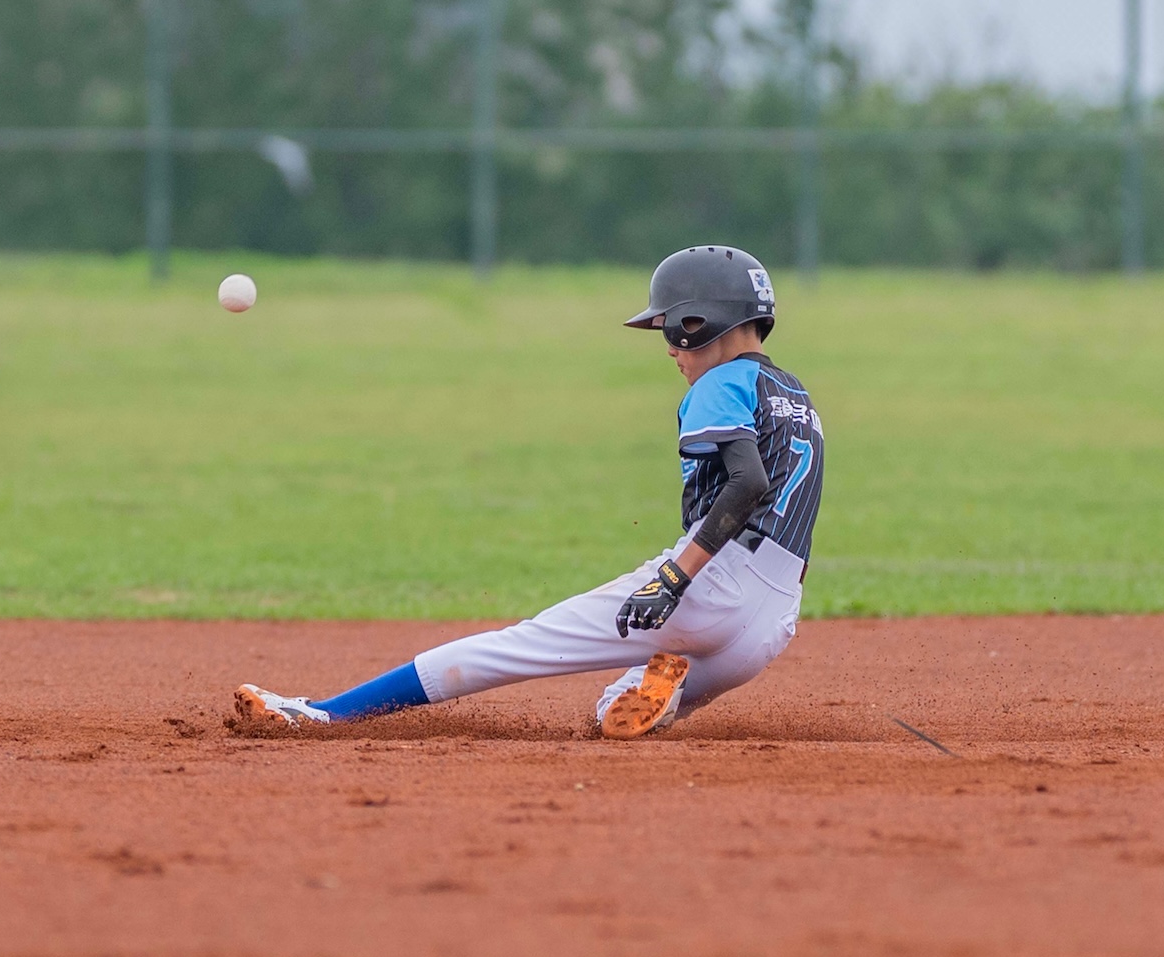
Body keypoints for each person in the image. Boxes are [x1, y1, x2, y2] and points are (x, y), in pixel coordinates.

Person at [234, 245, 823, 739]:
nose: (669, 348)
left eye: (672, 329)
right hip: (770, 623)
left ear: (702, 321)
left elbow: (749, 483)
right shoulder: (794, 394)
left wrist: (675, 578)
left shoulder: (721, 381)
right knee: (614, 710)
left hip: (712, 584)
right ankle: (662, 692)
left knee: (517, 647)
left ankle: (319, 714)